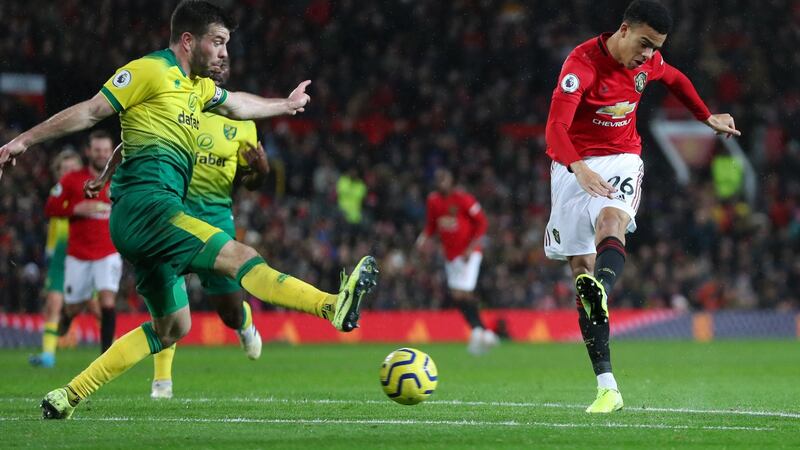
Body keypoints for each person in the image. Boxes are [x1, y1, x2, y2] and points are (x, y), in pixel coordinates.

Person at [0, 0, 378, 420]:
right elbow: (93, 110)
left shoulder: (195, 89)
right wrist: (23, 141)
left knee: (174, 328)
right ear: (187, 40)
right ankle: (331, 306)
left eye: (226, 45)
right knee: (241, 256)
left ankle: (67, 395)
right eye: (217, 42)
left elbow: (237, 103)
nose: (223, 53)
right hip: (149, 206)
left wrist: (285, 106)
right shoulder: (150, 70)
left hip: (142, 216)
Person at [543, 0, 739, 413]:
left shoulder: (648, 63)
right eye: (645, 44)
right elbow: (555, 128)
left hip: (622, 158)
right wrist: (578, 168)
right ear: (624, 29)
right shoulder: (582, 66)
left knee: (612, 221)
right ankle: (607, 387)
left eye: (656, 47)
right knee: (579, 266)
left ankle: (604, 289)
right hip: (572, 163)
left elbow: (676, 79)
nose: (649, 55)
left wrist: (706, 117)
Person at [87, 62, 269, 399]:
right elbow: (132, 142)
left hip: (216, 215)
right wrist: (106, 175)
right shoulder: (183, 104)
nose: (219, 65)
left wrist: (261, 171)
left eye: (225, 63)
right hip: (173, 207)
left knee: (227, 309)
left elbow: (251, 181)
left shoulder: (243, 124)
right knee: (168, 290)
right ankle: (162, 381)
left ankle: (242, 322)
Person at [43, 130, 122, 359]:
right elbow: (50, 208)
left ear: (112, 151)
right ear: (89, 151)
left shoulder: (120, 178)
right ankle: (65, 320)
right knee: (74, 306)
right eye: (97, 150)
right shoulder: (72, 179)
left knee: (107, 301)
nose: (101, 155)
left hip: (108, 251)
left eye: (106, 150)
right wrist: (74, 209)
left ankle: (106, 358)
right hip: (77, 255)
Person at [416, 168, 496, 355]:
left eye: (444, 179)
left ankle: (478, 330)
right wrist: (423, 240)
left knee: (462, 293)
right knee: (457, 295)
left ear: (451, 181)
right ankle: (482, 331)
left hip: (469, 253)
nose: (441, 183)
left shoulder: (463, 199)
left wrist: (470, 247)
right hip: (450, 254)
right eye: (438, 180)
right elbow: (431, 225)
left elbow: (482, 222)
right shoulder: (433, 201)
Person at [28, 149, 84, 368]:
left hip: (84, 253)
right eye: (65, 169)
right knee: (53, 304)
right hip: (60, 256)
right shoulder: (57, 192)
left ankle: (111, 348)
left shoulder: (89, 190)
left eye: (73, 168)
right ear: (58, 172)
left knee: (98, 305)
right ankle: (48, 355)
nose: (69, 172)